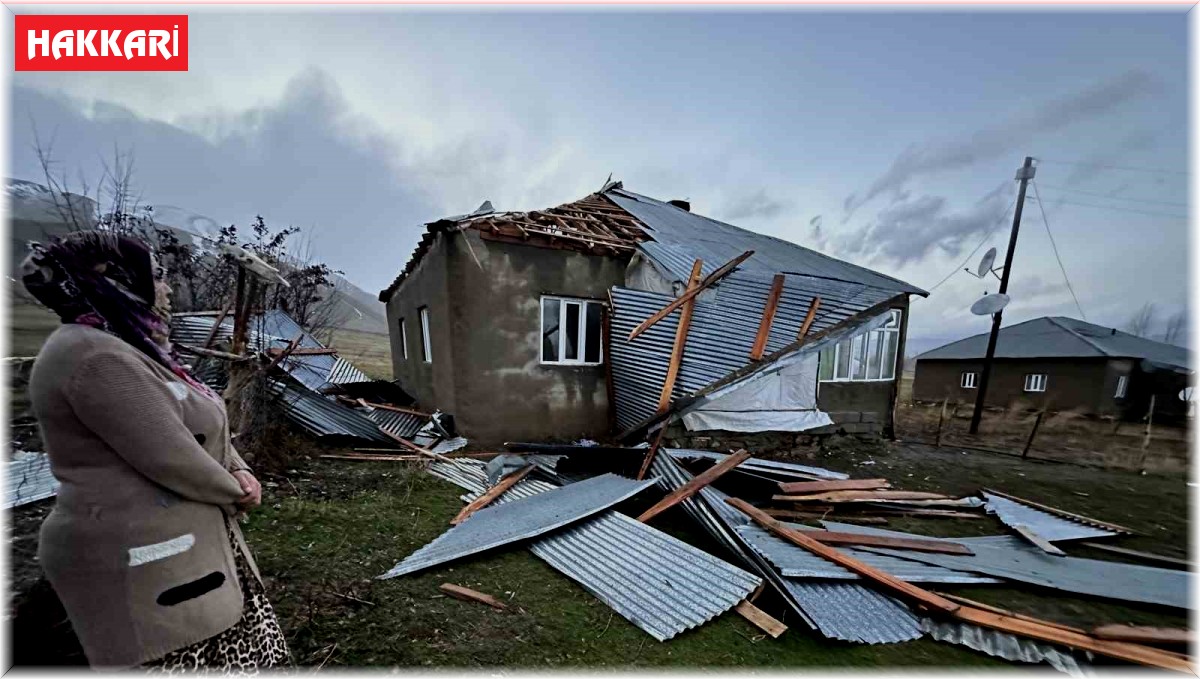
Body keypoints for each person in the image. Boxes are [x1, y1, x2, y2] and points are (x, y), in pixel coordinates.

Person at [23, 231, 291, 671]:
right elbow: (170, 456)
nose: (165, 288)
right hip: (145, 560)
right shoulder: (94, 356)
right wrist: (237, 492)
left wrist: (239, 467)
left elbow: (202, 423)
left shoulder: (137, 346)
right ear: (117, 280)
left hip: (187, 547)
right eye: (157, 276)